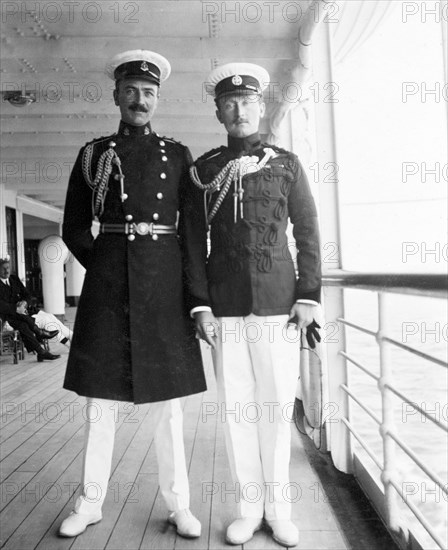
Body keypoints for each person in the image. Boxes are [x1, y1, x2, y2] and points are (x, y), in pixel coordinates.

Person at [59, 50, 206, 539]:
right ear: (117, 95)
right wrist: (104, 268)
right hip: (109, 288)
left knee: (168, 408)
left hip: (163, 287)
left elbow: (192, 234)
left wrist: (192, 294)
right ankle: (90, 502)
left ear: (157, 99)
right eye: (131, 92)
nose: (139, 101)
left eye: (148, 94)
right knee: (100, 403)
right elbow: (76, 226)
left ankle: (179, 504)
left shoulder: (178, 155)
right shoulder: (94, 155)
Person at [181, 63, 322, 547]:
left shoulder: (285, 164)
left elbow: (307, 232)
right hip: (225, 309)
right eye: (229, 102)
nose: (239, 110)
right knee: (238, 410)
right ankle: (247, 509)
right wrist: (200, 306)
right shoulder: (204, 171)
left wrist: (308, 296)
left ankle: (279, 511)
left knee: (277, 409)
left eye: (247, 102)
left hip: (279, 307)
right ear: (219, 110)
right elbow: (191, 242)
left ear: (261, 107)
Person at [0, 258, 60, 361]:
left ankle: (41, 351)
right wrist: (16, 308)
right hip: (5, 316)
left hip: (20, 315)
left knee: (23, 326)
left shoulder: (14, 279)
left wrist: (24, 302)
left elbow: (27, 295)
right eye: (3, 269)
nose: (7, 271)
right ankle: (39, 333)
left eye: (8, 268)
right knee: (24, 323)